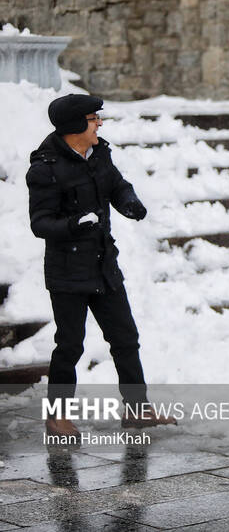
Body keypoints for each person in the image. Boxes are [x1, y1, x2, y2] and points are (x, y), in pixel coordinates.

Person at [26, 93, 175, 437]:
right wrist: (73, 224)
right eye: (94, 119)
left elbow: (116, 184)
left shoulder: (99, 154)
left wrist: (129, 201)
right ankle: (57, 417)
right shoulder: (45, 168)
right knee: (70, 344)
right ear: (75, 125)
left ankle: (137, 409)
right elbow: (40, 223)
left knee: (126, 338)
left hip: (103, 264)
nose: (100, 124)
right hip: (67, 272)